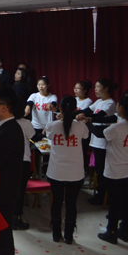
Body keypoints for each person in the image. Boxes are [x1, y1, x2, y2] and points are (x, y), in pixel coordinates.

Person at [87, 95, 128, 244]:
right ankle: (124, 231)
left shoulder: (118, 127)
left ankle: (112, 232)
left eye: (118, 105)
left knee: (115, 203)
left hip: (115, 170)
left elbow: (100, 134)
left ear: (122, 108)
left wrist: (87, 123)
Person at [44, 96, 89, 244]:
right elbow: (85, 136)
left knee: (56, 202)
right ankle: (69, 235)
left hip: (56, 171)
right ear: (76, 109)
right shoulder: (81, 126)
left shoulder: (52, 125)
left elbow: (46, 133)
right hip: (75, 172)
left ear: (60, 108)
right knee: (71, 203)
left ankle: (56, 233)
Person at [0, 88, 24, 255]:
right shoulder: (5, 127)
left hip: (4, 190)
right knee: (2, 235)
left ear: (4, 107)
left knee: (4, 237)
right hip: (3, 189)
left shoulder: (10, 130)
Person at [76, 78, 118, 205]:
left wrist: (87, 120)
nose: (95, 89)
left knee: (102, 170)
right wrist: (72, 113)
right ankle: (101, 194)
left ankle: (103, 196)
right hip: (95, 140)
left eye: (98, 86)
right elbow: (87, 111)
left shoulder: (110, 103)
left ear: (106, 89)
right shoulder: (99, 101)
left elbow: (99, 116)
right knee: (98, 169)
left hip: (104, 142)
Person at [25, 76, 58, 141]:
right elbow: (29, 103)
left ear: (48, 85)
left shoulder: (52, 97)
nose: (41, 87)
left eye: (43, 84)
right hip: (35, 126)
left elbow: (53, 103)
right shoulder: (34, 96)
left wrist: (51, 106)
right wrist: (27, 108)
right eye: (39, 85)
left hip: (47, 127)